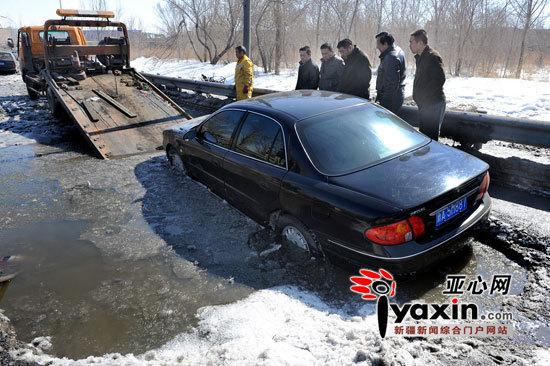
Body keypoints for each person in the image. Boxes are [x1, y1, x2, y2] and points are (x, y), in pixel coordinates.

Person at [409, 29, 446, 141]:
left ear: (420, 43)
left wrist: (425, 99)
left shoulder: (432, 57)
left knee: (431, 139)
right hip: (426, 105)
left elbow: (440, 79)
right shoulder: (421, 57)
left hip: (433, 105)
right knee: (424, 137)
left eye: (411, 42)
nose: (409, 45)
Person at [374, 32, 406, 113]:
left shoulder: (390, 57)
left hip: (391, 99)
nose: (377, 47)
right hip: (397, 95)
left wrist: (383, 101)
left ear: (385, 44)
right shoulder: (398, 49)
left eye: (378, 44)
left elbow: (391, 83)